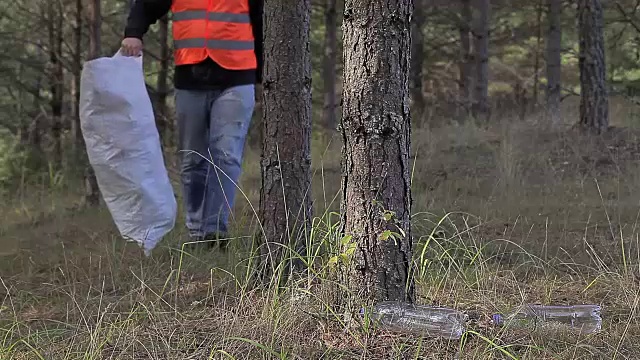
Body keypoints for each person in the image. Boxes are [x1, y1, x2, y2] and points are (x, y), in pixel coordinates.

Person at [121, 0, 263, 250]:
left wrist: (265, 73)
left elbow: (262, 20)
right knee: (192, 160)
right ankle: (196, 233)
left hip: (238, 76)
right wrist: (134, 33)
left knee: (226, 156)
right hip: (190, 79)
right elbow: (147, 5)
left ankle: (214, 232)